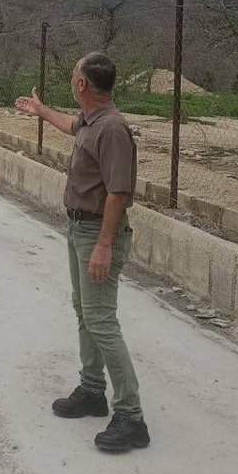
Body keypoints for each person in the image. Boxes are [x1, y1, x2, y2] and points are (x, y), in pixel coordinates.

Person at [15, 52, 149, 453]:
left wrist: (104, 245)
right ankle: (92, 390)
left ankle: (131, 416)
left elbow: (119, 192)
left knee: (101, 318)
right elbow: (69, 125)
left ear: (82, 86)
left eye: (74, 75)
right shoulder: (92, 121)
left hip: (97, 232)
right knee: (84, 311)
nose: (72, 79)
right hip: (79, 227)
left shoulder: (112, 129)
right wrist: (41, 110)